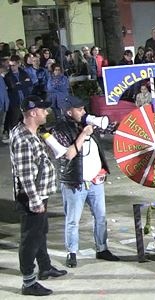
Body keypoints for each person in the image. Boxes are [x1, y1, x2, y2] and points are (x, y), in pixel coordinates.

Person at [51, 96, 119, 268]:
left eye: (83, 109)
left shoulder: (88, 122)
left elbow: (110, 127)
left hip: (96, 181)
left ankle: (102, 248)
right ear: (68, 111)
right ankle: (72, 252)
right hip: (75, 182)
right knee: (73, 220)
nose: (83, 112)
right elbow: (68, 154)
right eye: (79, 109)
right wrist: (83, 134)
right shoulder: (60, 129)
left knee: (101, 217)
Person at [10, 95, 67, 296]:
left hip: (39, 193)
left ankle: (45, 267)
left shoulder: (27, 131)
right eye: (43, 110)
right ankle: (28, 282)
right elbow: (25, 174)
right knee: (30, 239)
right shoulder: (24, 139)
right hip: (31, 197)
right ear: (33, 113)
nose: (46, 112)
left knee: (40, 232)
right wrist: (35, 201)